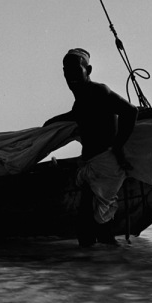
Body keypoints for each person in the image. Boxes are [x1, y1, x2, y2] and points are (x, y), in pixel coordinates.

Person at [44, 48, 138, 246]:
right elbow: (78, 115)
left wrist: (119, 147)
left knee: (91, 230)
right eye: (66, 73)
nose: (71, 77)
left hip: (105, 166)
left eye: (76, 71)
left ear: (89, 70)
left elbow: (131, 111)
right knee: (93, 229)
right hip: (92, 168)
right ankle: (101, 270)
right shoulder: (80, 102)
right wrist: (51, 122)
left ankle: (101, 269)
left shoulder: (99, 91)